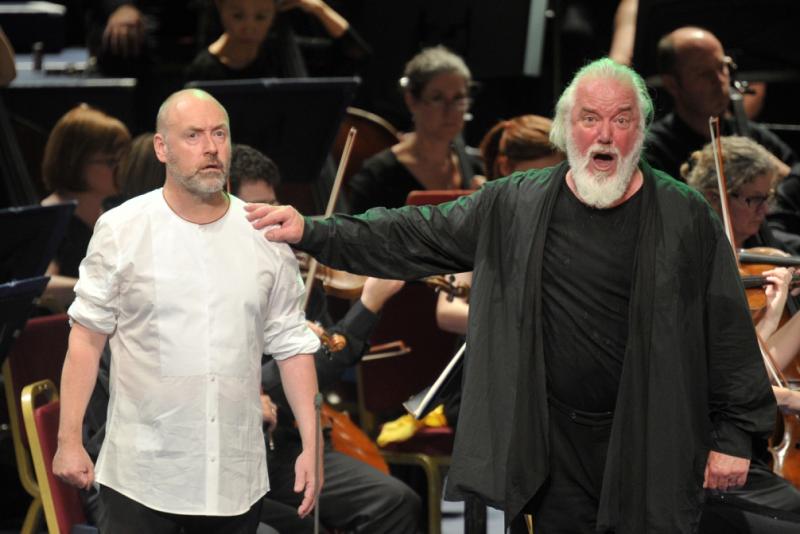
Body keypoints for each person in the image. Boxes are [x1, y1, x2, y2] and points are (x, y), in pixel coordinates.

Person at [245, 57, 778, 533]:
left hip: (652, 435)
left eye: (622, 120)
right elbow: (410, 233)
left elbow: (727, 331)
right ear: (566, 129)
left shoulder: (686, 215)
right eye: (590, 118)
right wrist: (312, 230)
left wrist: (734, 437)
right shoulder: (514, 204)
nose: (605, 135)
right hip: (553, 445)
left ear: (641, 130)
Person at [52, 88, 321, 534]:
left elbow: (293, 344)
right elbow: (85, 339)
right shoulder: (121, 228)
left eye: (219, 134)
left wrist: (312, 443)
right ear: (162, 147)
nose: (211, 147)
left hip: (234, 477)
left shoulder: (264, 234)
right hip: (141, 475)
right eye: (193, 135)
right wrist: (68, 440)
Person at [684, 135, 800, 532]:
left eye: (769, 199)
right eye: (754, 199)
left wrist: (775, 316)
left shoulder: (752, 261)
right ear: (715, 198)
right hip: (705, 458)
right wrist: (787, 397)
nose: (765, 212)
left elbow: (756, 364)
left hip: (747, 455)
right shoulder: (693, 274)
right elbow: (736, 381)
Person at [347, 46, 484, 214]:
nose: (450, 111)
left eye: (458, 98)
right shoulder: (378, 176)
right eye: (437, 98)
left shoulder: (477, 169)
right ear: (411, 100)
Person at [39, 104, 131, 311]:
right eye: (111, 161)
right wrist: (105, 290)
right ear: (76, 161)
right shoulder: (48, 219)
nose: (120, 169)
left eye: (122, 159)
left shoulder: (114, 213)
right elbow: (42, 285)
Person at [185, 0, 369, 81]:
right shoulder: (203, 70)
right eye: (238, 15)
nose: (249, 26)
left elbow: (356, 52)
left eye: (261, 16)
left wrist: (319, 9)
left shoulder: (282, 52)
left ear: (274, 13)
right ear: (220, 6)